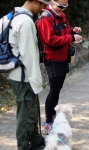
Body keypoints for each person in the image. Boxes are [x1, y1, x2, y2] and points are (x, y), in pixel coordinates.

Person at [8, 0, 51, 149]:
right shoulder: (26, 21)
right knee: (26, 115)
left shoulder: (13, 16)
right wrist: (37, 82)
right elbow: (30, 56)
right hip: (24, 76)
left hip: (15, 73)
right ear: (35, 1)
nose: (44, 8)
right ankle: (24, 146)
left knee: (30, 111)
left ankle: (36, 140)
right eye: (42, 5)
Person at [36, 0, 82, 134]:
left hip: (63, 57)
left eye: (65, 7)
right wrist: (71, 38)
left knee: (58, 89)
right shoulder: (46, 17)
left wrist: (72, 31)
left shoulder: (60, 15)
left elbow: (63, 31)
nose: (62, 9)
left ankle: (53, 117)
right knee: (54, 90)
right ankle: (49, 121)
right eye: (60, 6)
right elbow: (49, 39)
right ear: (52, 2)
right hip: (52, 58)